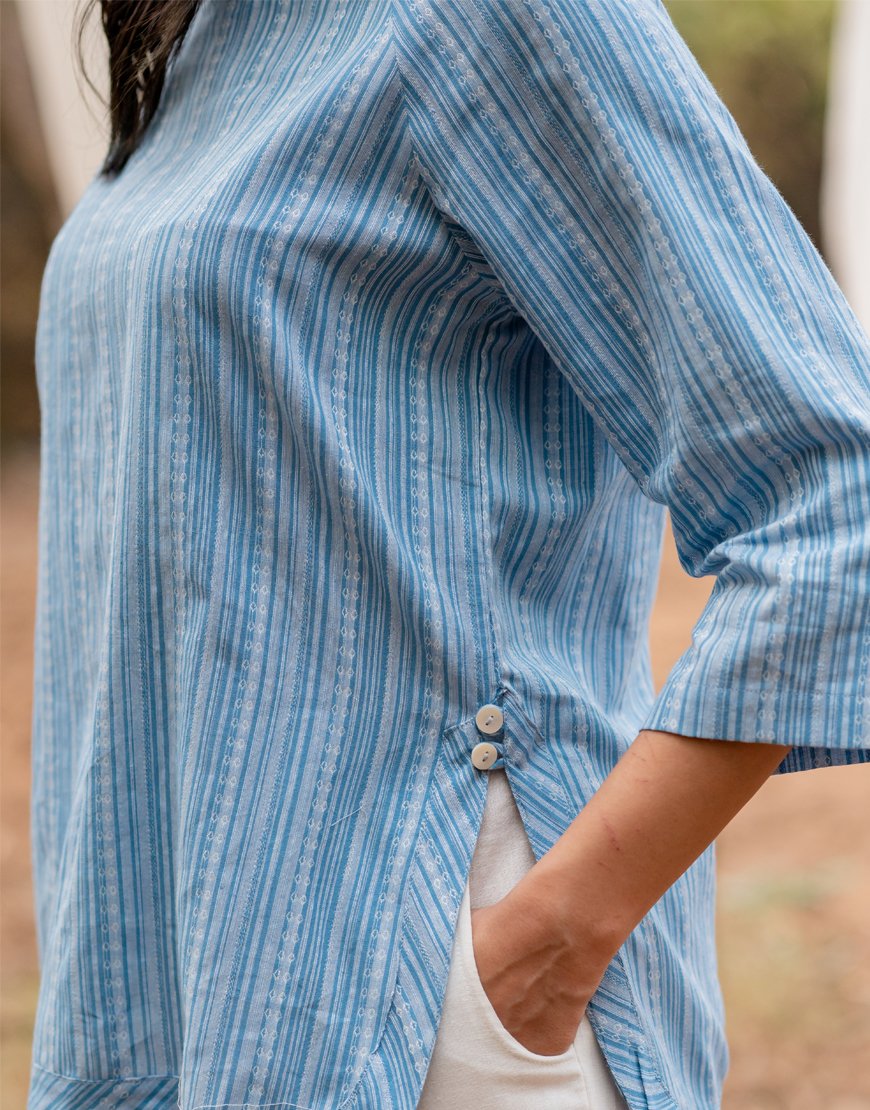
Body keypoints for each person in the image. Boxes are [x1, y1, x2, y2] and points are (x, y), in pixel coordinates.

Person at [27, 0, 870, 1108]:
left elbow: (834, 492)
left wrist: (543, 949)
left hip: (417, 1011)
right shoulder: (198, 40)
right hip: (179, 994)